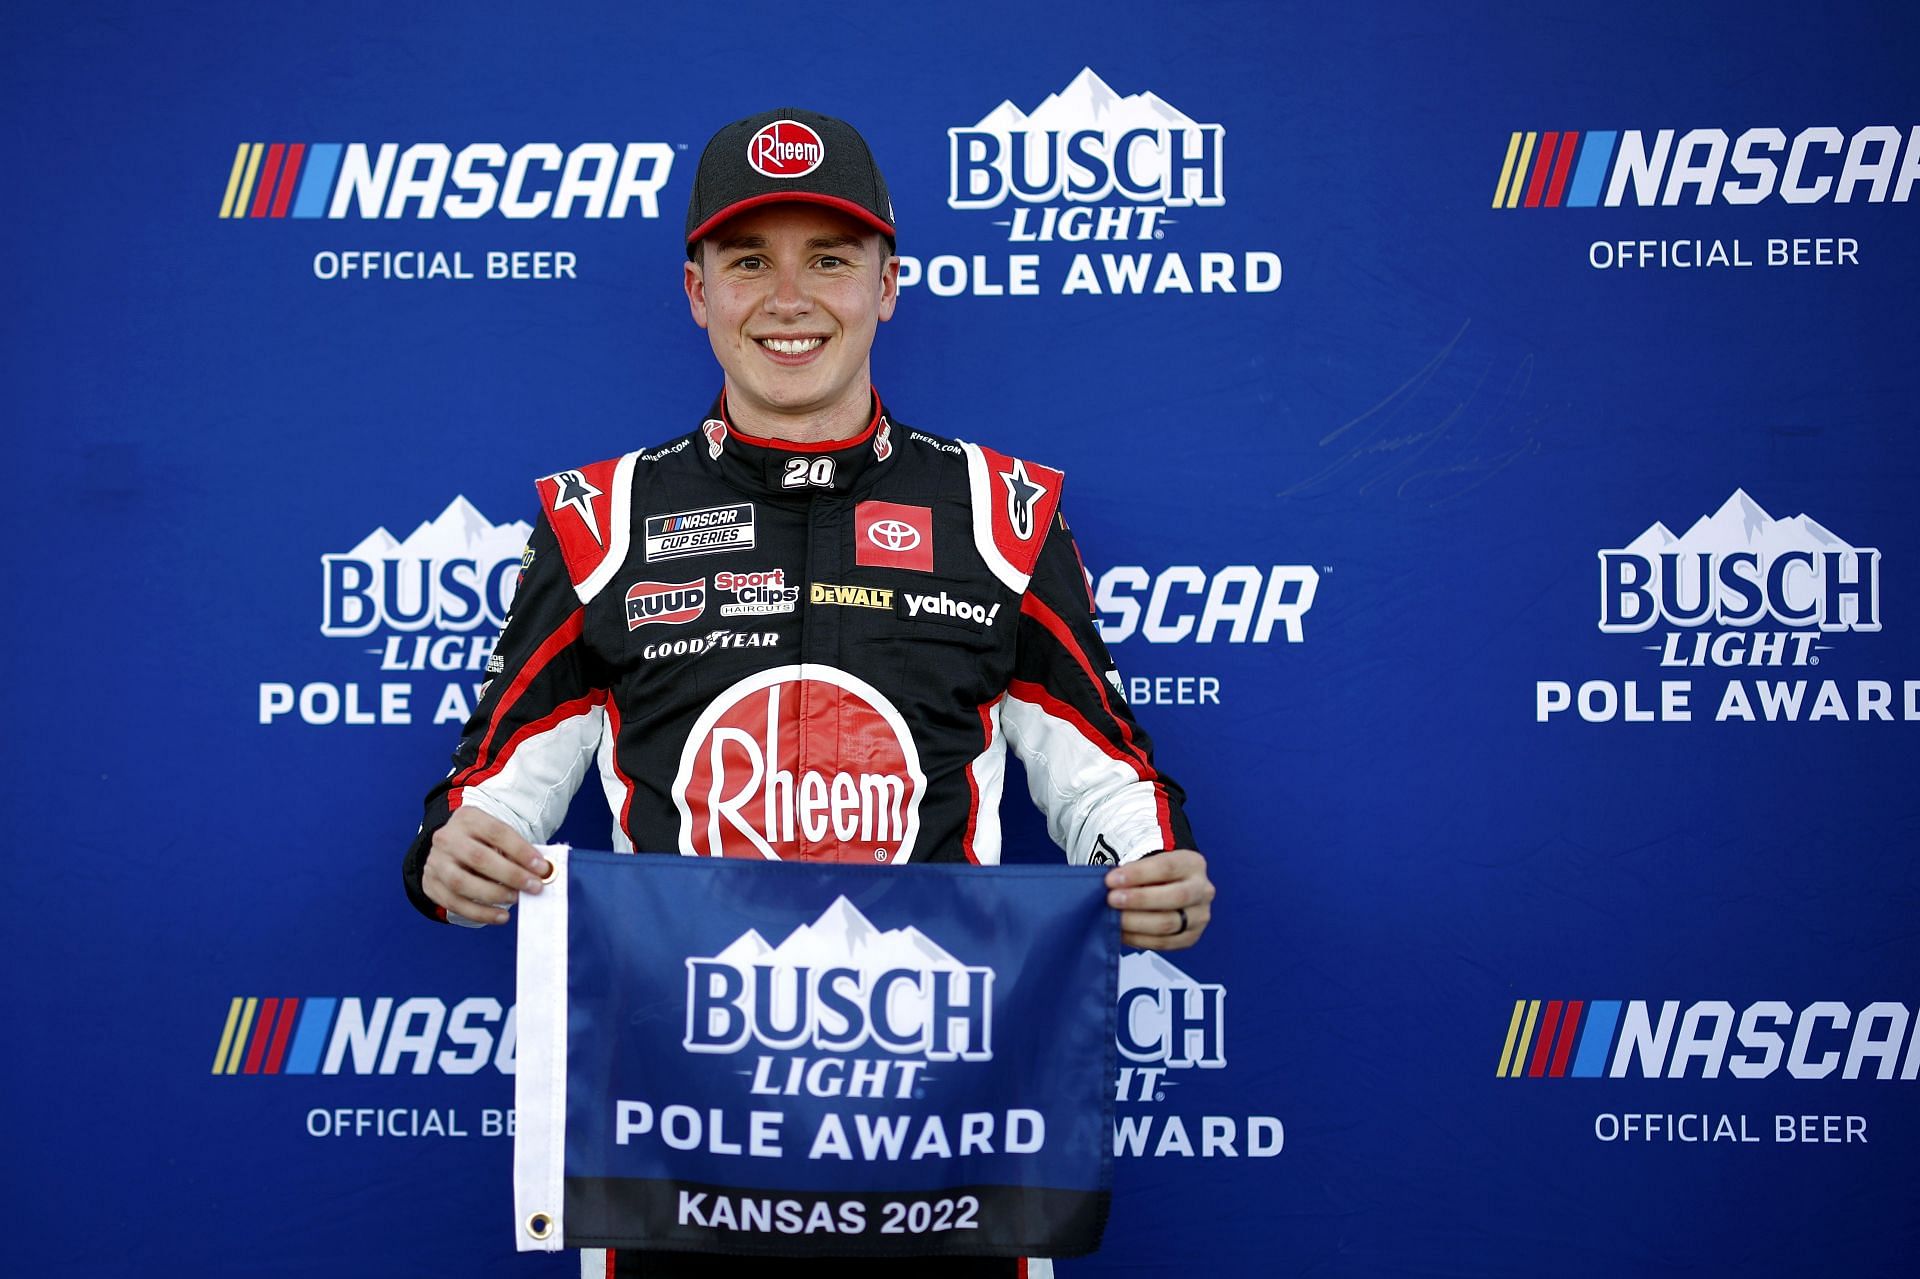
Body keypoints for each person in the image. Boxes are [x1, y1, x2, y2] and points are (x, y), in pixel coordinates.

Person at [401, 107, 1214, 1276]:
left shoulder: (1001, 514)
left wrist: (1154, 870)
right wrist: (453, 854)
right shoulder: (599, 522)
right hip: (675, 1139)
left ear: (891, 284)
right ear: (696, 291)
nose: (790, 298)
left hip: (943, 1138)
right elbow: (490, 794)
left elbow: (1108, 779)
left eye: (829, 259)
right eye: (749, 262)